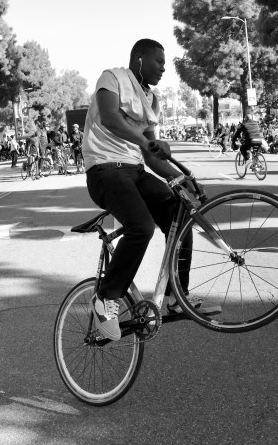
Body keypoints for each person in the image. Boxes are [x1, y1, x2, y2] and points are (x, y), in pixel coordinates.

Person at [83, 38, 213, 342]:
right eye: (159, 61)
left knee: (180, 216)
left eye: (165, 63)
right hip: (104, 170)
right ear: (139, 59)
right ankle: (106, 297)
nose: (164, 68)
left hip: (135, 172)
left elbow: (153, 154)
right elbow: (110, 118)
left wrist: (182, 177)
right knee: (141, 226)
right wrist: (144, 142)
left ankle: (175, 297)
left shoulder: (151, 99)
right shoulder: (112, 78)